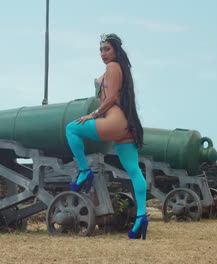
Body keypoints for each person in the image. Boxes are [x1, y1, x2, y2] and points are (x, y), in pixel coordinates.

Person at [65, 33, 148, 240]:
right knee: (134, 171)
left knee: (72, 129)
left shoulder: (112, 67)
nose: (103, 54)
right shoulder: (122, 70)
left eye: (107, 49)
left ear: (116, 50)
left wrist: (92, 115)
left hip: (114, 120)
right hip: (125, 125)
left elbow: (110, 98)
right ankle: (141, 218)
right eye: (101, 50)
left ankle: (84, 171)